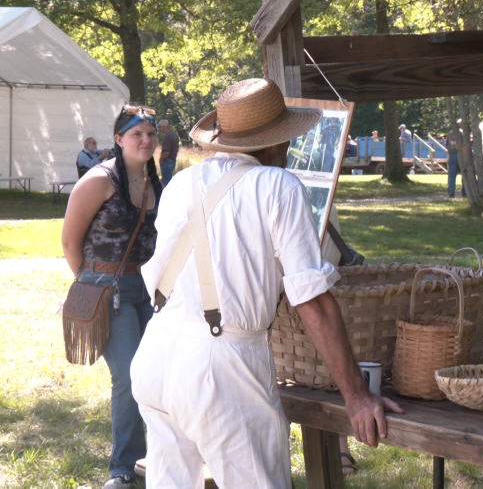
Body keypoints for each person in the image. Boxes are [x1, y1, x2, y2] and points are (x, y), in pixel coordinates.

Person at [130, 79, 402, 488]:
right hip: (222, 366)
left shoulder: (181, 184)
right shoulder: (279, 186)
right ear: (277, 144)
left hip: (156, 353)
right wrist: (357, 396)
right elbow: (313, 301)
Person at [61, 105, 163, 488]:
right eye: (137, 134)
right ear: (118, 140)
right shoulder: (98, 180)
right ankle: (124, 468)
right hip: (107, 290)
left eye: (150, 134)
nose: (146, 141)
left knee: (157, 373)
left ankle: (161, 457)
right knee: (128, 376)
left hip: (147, 291)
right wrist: (92, 283)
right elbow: (70, 241)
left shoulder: (155, 183)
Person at [158, 119, 179, 186]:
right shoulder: (174, 134)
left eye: (159, 127)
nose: (159, 129)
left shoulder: (167, 136)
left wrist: (161, 159)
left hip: (167, 161)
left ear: (164, 126)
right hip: (173, 160)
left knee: (167, 183)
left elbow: (167, 152)